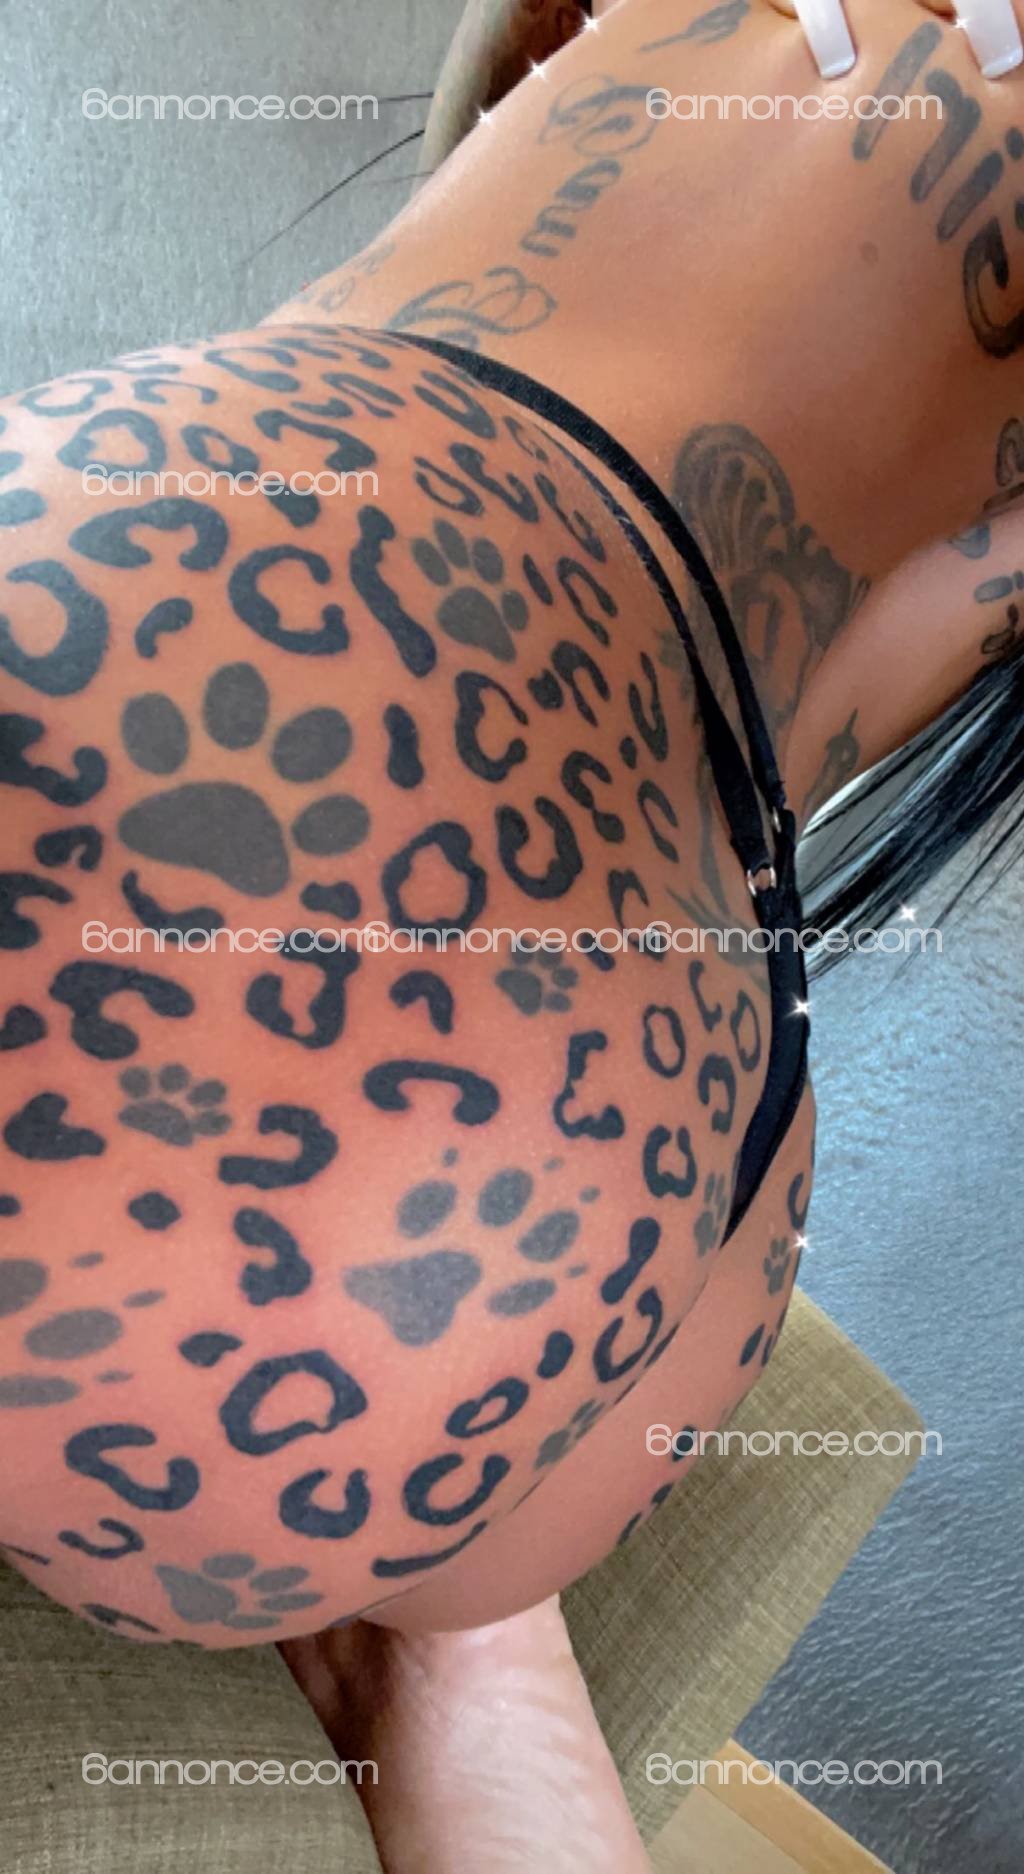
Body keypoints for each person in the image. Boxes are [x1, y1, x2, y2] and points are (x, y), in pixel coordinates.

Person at [1, 1, 1022, 1865]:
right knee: (470, 1601)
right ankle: (466, 1636)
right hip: (536, 1212)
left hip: (161, 569)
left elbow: (499, 103)